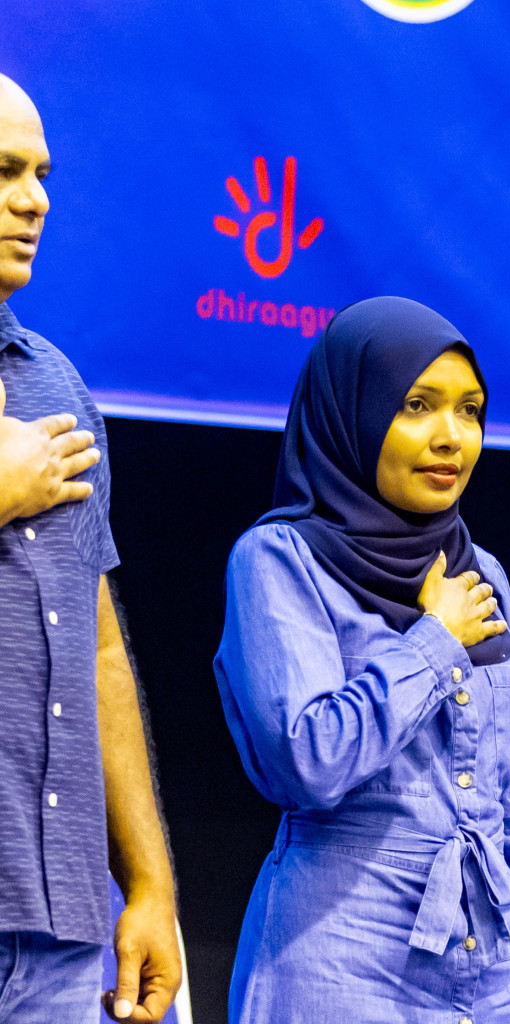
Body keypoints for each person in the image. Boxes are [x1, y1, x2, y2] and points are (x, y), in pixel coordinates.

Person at [213, 297, 510, 1024]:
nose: (452, 437)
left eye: (471, 411)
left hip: (497, 980)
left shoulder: (481, 573)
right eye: (418, 405)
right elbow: (309, 762)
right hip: (339, 965)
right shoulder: (278, 559)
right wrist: (434, 642)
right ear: (350, 413)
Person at [0, 74, 182, 1023]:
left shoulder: (55, 386)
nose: (34, 200)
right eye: (2, 172)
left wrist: (147, 885)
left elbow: (100, 653)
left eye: (40, 175)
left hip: (58, 923)